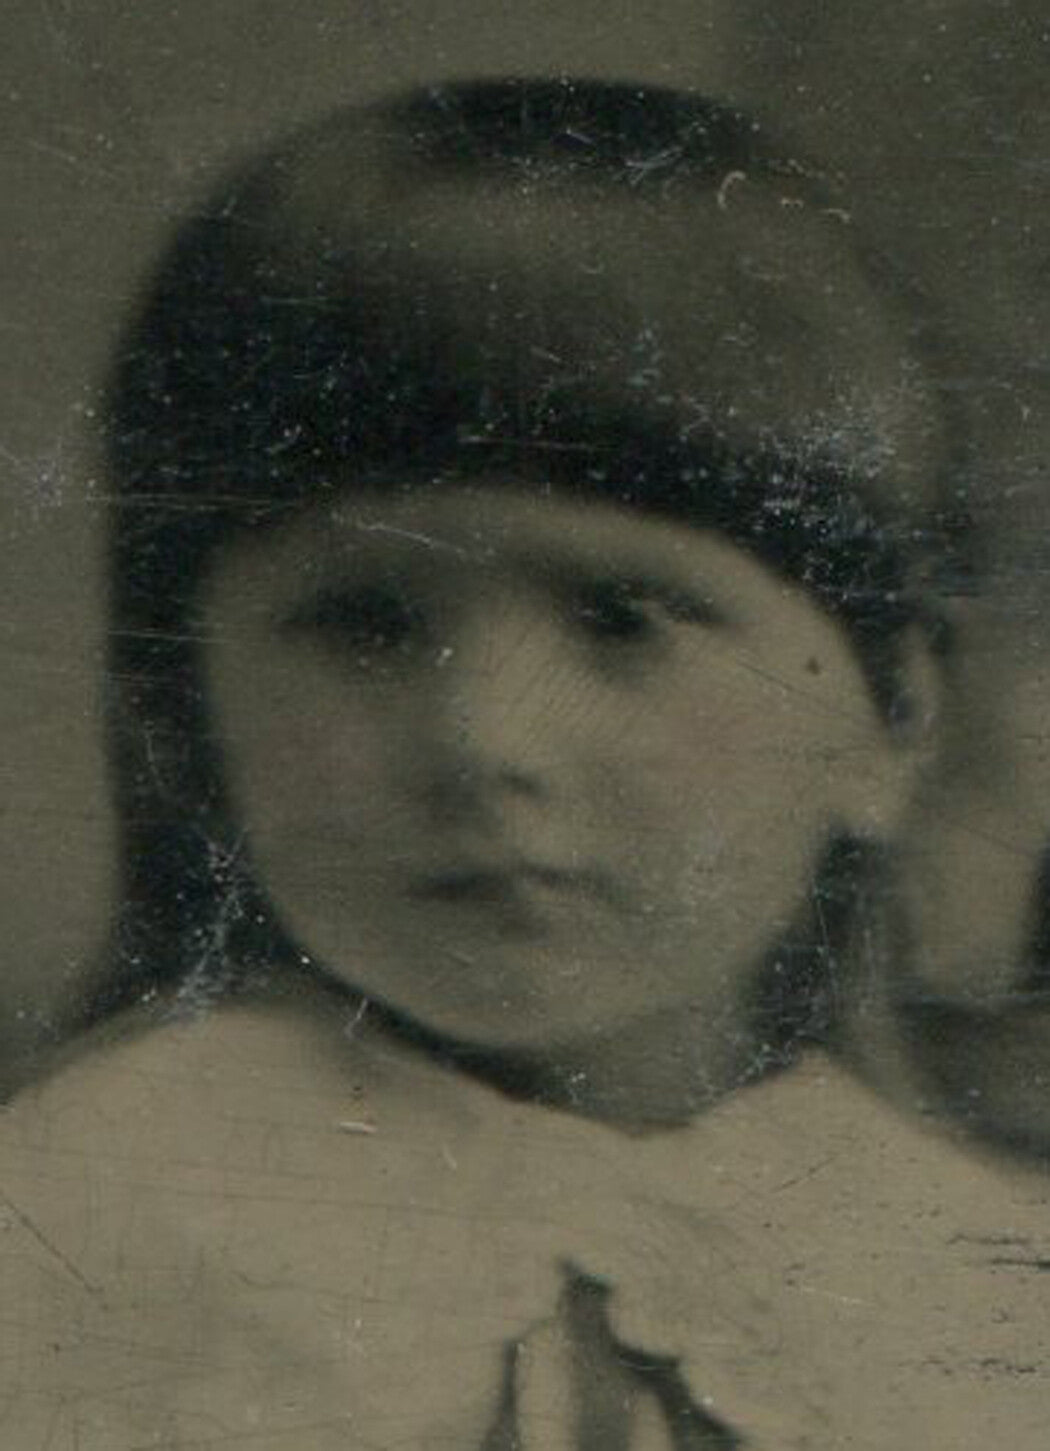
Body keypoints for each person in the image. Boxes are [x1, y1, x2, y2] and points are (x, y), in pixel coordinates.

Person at [3, 77, 1045, 1448]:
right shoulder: (103, 1213)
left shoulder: (966, 1268)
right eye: (365, 623)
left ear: (893, 715)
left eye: (624, 619)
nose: (484, 742)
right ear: (182, 719)